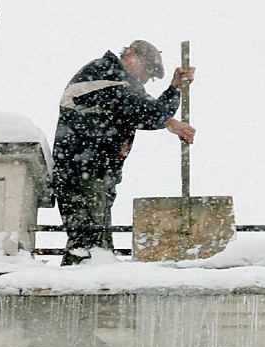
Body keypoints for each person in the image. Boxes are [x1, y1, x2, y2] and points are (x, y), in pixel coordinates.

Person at [51, 39, 196, 266]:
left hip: (99, 174)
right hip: (79, 170)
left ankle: (94, 276)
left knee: (97, 241)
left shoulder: (126, 85)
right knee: (87, 241)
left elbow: (151, 112)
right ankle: (78, 284)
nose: (146, 78)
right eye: (146, 70)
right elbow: (130, 104)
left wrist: (174, 88)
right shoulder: (100, 71)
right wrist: (171, 122)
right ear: (129, 54)